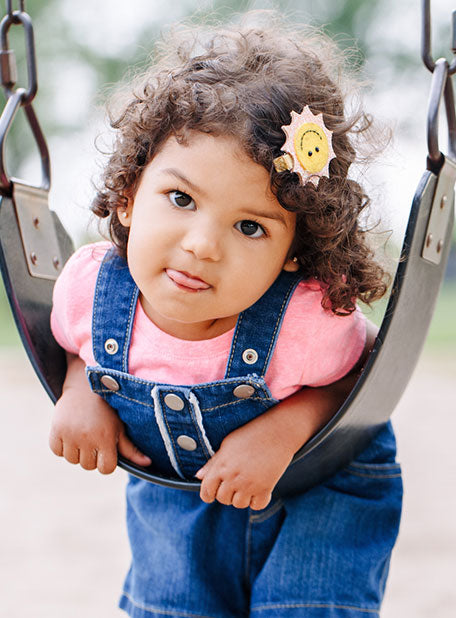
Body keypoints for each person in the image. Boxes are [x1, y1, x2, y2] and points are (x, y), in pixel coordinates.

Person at [48, 15, 403, 618]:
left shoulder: (304, 318)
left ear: (294, 251)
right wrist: (81, 389)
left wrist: (283, 431)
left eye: (249, 227)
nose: (203, 245)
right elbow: (77, 346)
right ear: (130, 195)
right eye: (180, 199)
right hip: (184, 495)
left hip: (318, 490)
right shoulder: (89, 289)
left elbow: (359, 382)